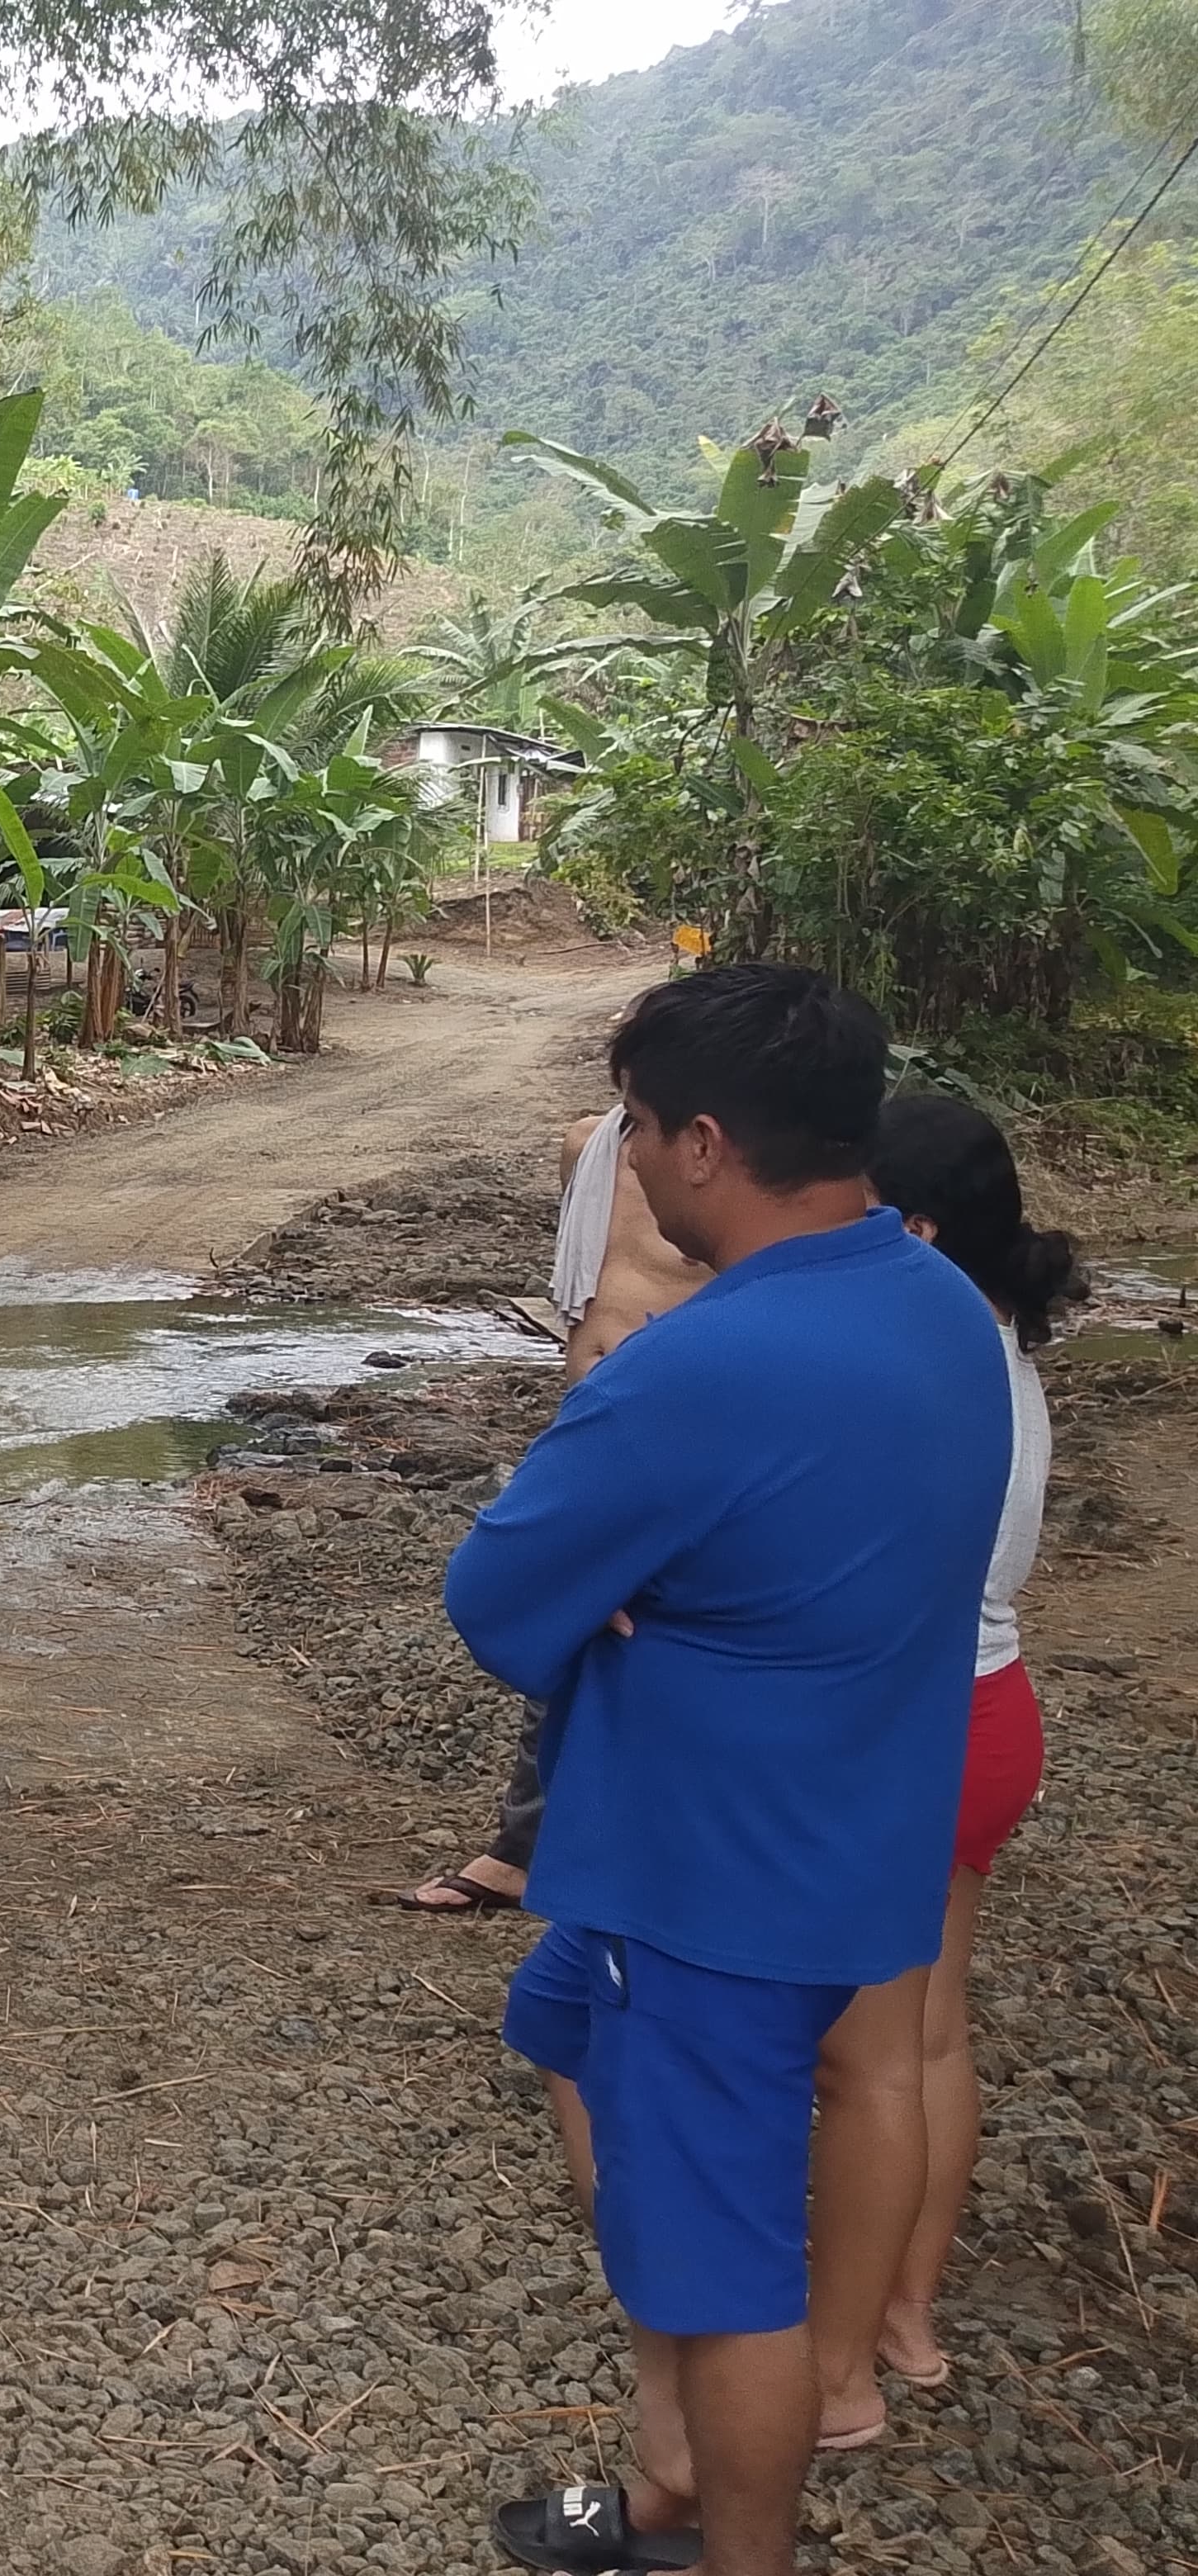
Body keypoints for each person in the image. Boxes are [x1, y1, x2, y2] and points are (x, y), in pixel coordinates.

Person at [444, 966, 1009, 2576]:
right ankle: (674, 2466)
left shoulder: (699, 1365)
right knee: (556, 2021)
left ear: (703, 1143)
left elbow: (496, 1601)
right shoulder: (937, 1305)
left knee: (730, 2272)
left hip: (708, 1884)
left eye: (633, 1128)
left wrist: (621, 1593)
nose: (625, 1160)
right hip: (856, 1842)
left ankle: (720, 2538)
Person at [804, 1095, 1083, 2439]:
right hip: (995, 1709)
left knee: (865, 2062)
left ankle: (840, 2371)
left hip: (916, 1722)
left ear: (913, 1230)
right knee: (930, 2035)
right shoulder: (1004, 1343)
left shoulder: (920, 1355)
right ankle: (908, 2315)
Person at [395, 1105, 708, 1914]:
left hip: (678, 1428)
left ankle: (617, 1849)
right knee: (572, 1617)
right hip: (594, 1417)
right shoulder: (592, 1146)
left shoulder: (729, 1166)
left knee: (655, 1629)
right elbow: (588, 1284)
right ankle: (526, 1846)